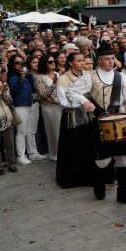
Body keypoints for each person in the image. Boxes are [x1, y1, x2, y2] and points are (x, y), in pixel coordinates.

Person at [67, 43, 126, 203]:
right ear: (99, 60)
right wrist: (84, 101)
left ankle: (123, 191)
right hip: (100, 122)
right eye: (107, 59)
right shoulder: (90, 77)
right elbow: (70, 91)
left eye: (113, 58)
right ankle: (98, 183)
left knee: (123, 157)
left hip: (120, 121)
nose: (111, 62)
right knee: (103, 159)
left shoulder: (121, 76)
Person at [55, 52, 95, 188]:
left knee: (88, 146)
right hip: (72, 116)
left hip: (89, 115)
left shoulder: (88, 75)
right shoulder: (63, 79)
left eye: (83, 60)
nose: (82, 63)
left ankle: (90, 176)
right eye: (78, 61)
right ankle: (73, 178)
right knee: (73, 147)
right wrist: (82, 103)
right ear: (71, 63)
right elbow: (63, 101)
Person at [8, 54, 43, 165]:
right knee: (21, 132)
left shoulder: (28, 75)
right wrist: (21, 78)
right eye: (16, 63)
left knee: (31, 130)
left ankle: (33, 153)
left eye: (21, 62)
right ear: (12, 65)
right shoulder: (12, 77)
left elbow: (34, 89)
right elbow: (13, 90)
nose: (19, 65)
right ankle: (21, 156)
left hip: (32, 104)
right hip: (20, 106)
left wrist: (28, 77)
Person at [34, 55, 62, 162]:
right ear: (44, 63)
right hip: (49, 107)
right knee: (53, 131)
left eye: (54, 61)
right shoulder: (39, 77)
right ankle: (54, 154)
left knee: (61, 131)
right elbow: (42, 94)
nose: (53, 63)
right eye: (50, 62)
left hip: (61, 105)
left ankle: (63, 152)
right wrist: (54, 84)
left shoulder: (58, 74)